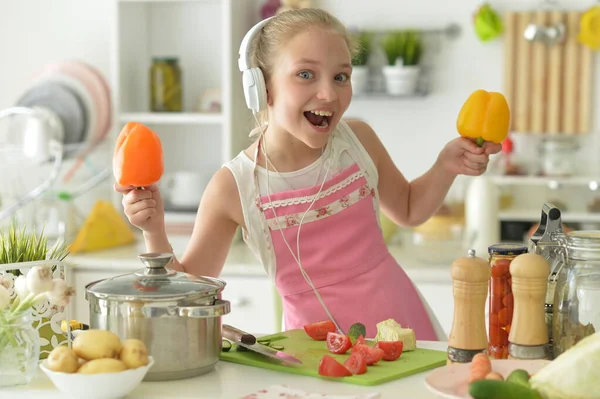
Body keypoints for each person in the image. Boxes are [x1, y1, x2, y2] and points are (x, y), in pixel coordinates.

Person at [115, 8, 501, 340]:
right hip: (314, 350)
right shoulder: (234, 186)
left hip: (404, 328)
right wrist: (154, 231)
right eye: (305, 75)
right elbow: (188, 297)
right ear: (261, 87)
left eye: (340, 76)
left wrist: (447, 164)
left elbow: (411, 209)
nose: (329, 95)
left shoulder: (358, 140)